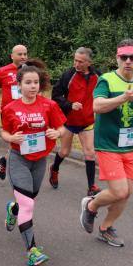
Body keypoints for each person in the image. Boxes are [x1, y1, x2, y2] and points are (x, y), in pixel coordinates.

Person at [80, 39, 133, 247]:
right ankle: (91, 206)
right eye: (124, 57)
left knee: (126, 193)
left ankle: (105, 228)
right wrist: (123, 98)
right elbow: (97, 106)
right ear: (117, 58)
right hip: (107, 144)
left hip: (129, 145)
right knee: (118, 191)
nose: (128, 61)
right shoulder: (107, 80)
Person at [1, 64, 65, 266]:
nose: (33, 86)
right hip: (18, 158)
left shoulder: (49, 105)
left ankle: (13, 210)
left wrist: (57, 133)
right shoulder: (10, 108)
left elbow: (61, 127)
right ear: (19, 85)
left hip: (39, 160)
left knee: (29, 198)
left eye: (36, 82)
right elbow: (3, 133)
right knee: (29, 204)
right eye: (28, 82)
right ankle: (32, 250)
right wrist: (12, 137)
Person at [49, 47, 102, 196]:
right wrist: (70, 105)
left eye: (80, 61)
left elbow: (105, 94)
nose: (76, 64)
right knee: (65, 151)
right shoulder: (68, 75)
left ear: (89, 62)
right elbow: (56, 96)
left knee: (90, 153)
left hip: (87, 121)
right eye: (75, 60)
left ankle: (91, 186)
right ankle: (54, 168)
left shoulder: (98, 76)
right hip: (69, 121)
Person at [0, 44, 28, 180]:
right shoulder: (3, 71)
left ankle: (6, 161)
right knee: (16, 141)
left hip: (27, 111)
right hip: (9, 113)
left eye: (25, 54)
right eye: (19, 54)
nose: (23, 57)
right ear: (12, 56)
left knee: (22, 141)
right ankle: (17, 171)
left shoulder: (31, 70)